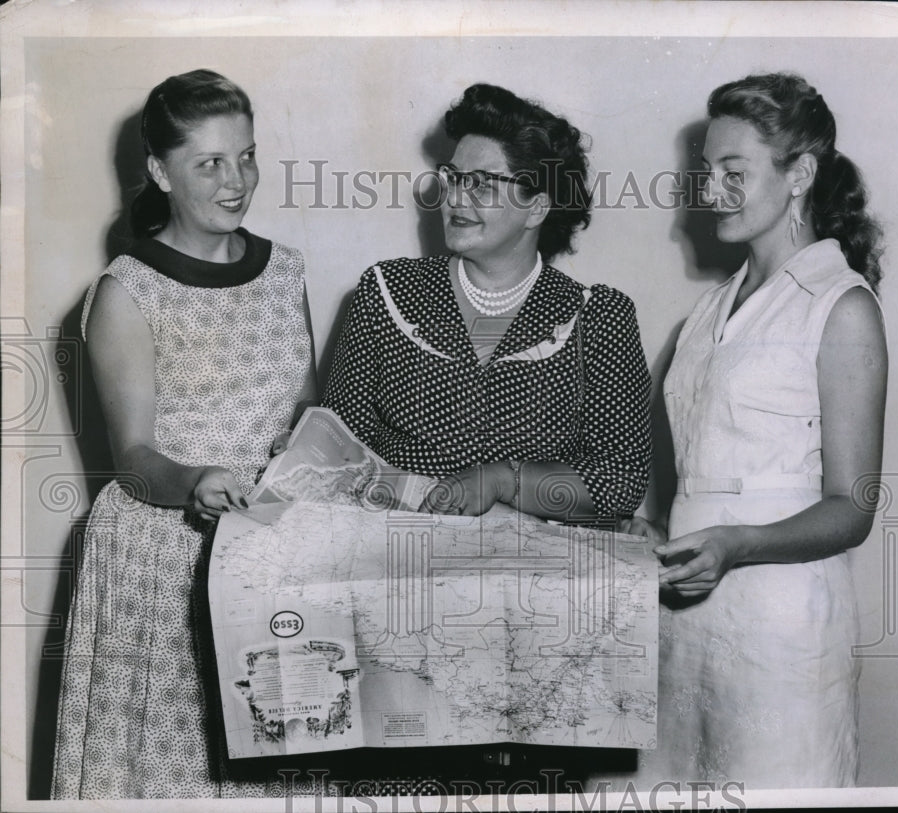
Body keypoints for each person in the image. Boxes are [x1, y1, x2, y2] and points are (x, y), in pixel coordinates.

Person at [319, 83, 652, 789]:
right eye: (451, 177)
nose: (454, 196)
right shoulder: (384, 296)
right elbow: (333, 456)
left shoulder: (599, 317)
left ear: (537, 204)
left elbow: (622, 479)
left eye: (480, 181)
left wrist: (504, 479)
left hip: (537, 641)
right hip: (397, 626)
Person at [51, 69, 316, 798]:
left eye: (247, 156)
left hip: (265, 550)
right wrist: (196, 482)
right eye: (210, 163)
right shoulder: (126, 290)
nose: (237, 181)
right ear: (158, 171)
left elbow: (304, 417)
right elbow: (133, 460)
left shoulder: (286, 272)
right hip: (162, 560)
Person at [627, 72, 888, 788]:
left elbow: (853, 505)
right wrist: (649, 533)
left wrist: (739, 545)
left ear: (799, 174)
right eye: (706, 171)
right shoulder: (705, 317)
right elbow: (697, 486)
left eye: (733, 171)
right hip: (685, 629)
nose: (710, 191)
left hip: (783, 638)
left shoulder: (841, 308)